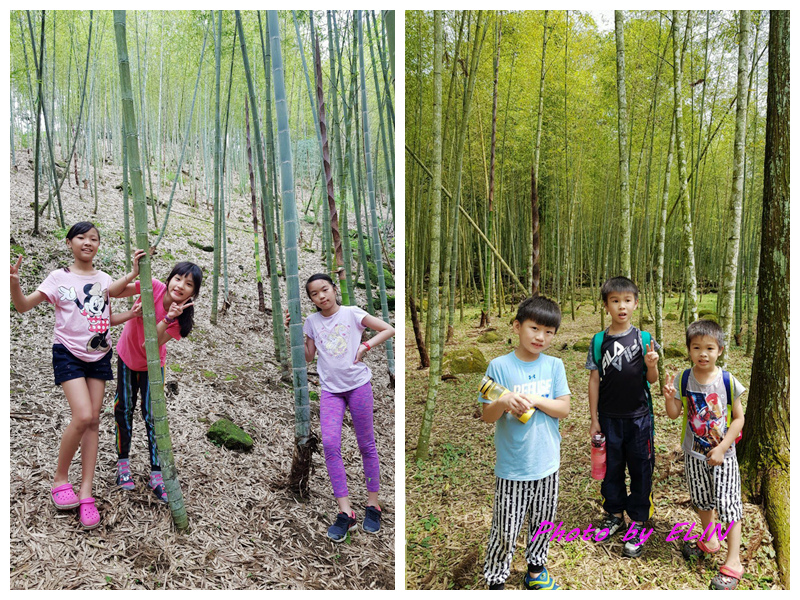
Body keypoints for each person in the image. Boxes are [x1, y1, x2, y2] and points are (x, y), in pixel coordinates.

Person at [10, 222, 141, 529]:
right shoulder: (58, 278)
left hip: (99, 354)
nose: (88, 242)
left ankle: (85, 493)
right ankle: (60, 479)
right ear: (69, 242)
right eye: (81, 237)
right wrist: (14, 282)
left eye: (94, 238)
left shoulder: (104, 279)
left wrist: (131, 313)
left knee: (94, 420)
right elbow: (23, 306)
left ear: (98, 246)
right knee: (82, 416)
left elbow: (105, 316)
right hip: (68, 353)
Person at [293, 273, 394, 542]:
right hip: (330, 391)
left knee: (366, 445)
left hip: (358, 385)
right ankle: (345, 512)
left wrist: (365, 346)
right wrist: (296, 335)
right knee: (330, 445)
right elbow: (308, 356)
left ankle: (373, 504)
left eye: (324, 290)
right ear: (311, 299)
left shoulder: (351, 313)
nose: (321, 296)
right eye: (314, 294)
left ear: (334, 289)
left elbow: (388, 328)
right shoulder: (312, 321)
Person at [480, 296, 571, 590]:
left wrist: (534, 399)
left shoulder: (554, 365)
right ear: (517, 326)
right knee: (506, 526)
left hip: (547, 461)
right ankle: (496, 579)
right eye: (534, 328)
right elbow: (487, 416)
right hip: (513, 465)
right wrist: (504, 401)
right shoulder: (498, 366)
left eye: (549, 332)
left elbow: (563, 408)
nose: (541, 337)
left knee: (543, 522)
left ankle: (536, 568)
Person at [112, 258, 203, 503]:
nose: (181, 285)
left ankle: (156, 474)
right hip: (126, 357)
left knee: (153, 417)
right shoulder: (151, 286)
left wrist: (169, 317)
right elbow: (114, 292)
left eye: (189, 284)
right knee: (123, 409)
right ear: (169, 278)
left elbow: (148, 345)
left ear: (194, 292)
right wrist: (133, 273)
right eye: (178, 278)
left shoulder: (181, 321)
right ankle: (123, 465)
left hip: (152, 366)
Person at [663, 319, 745, 590]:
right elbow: (675, 414)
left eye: (709, 348)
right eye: (696, 347)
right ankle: (710, 540)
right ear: (688, 349)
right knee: (702, 500)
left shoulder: (727, 381)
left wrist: (722, 447)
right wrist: (668, 397)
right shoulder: (684, 378)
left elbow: (738, 419)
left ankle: (734, 562)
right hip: (694, 454)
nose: (703, 353)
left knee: (728, 505)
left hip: (724, 456)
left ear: (720, 349)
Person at [586, 276, 660, 558]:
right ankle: (614, 514)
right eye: (615, 301)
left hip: (639, 418)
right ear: (606, 305)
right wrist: (593, 419)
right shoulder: (598, 341)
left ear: (636, 304)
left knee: (641, 467)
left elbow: (650, 380)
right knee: (611, 468)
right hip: (608, 417)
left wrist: (651, 365)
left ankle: (639, 521)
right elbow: (594, 381)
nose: (622, 306)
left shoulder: (644, 338)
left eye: (627, 301)